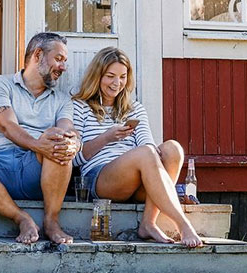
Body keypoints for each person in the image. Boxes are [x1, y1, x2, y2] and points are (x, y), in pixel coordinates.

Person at [0, 32, 81, 244]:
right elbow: (7, 126)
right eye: (59, 59)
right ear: (38, 55)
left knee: (61, 142)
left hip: (35, 170)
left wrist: (73, 142)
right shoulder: (0, 84)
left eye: (64, 61)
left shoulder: (62, 99)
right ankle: (21, 217)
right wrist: (39, 144)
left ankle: (51, 221)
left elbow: (68, 129)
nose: (63, 68)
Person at [72, 47, 202, 247]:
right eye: (110, 76)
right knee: (145, 153)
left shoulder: (135, 109)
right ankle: (183, 225)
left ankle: (148, 223)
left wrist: (151, 155)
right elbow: (75, 159)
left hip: (139, 178)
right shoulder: (79, 107)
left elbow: (148, 144)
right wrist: (106, 138)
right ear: (97, 76)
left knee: (173, 148)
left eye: (123, 77)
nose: (117, 83)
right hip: (101, 179)